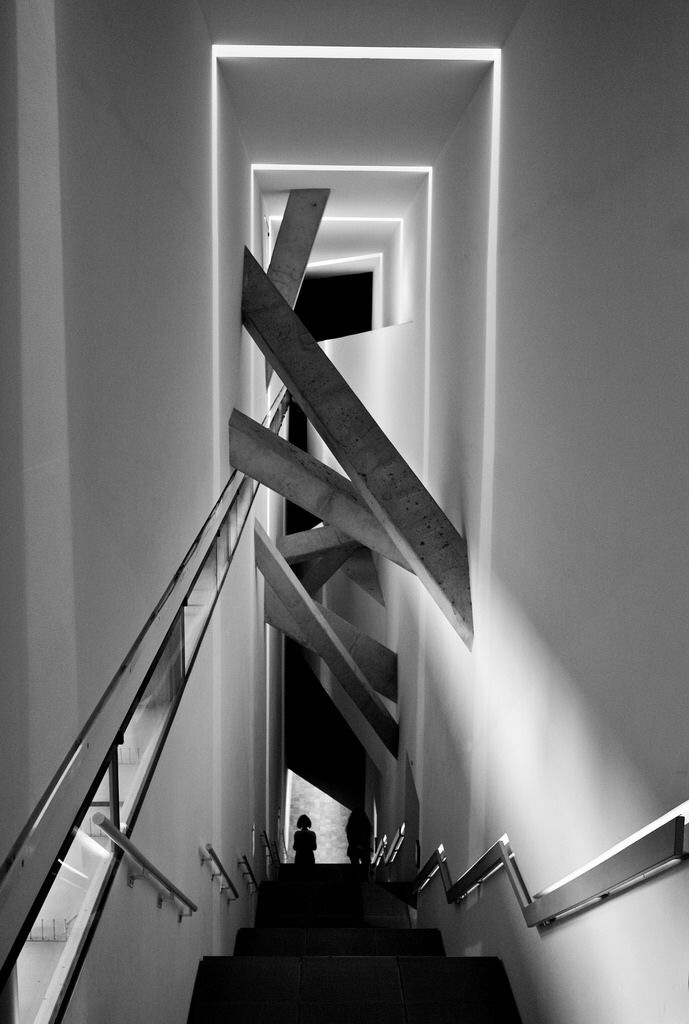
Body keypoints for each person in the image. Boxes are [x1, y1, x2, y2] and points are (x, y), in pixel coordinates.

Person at [345, 806, 372, 879]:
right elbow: (367, 838)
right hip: (364, 849)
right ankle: (364, 882)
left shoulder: (351, 826)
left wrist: (356, 845)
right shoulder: (366, 825)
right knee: (365, 870)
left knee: (355, 869)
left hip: (353, 849)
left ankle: (355, 883)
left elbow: (350, 839)